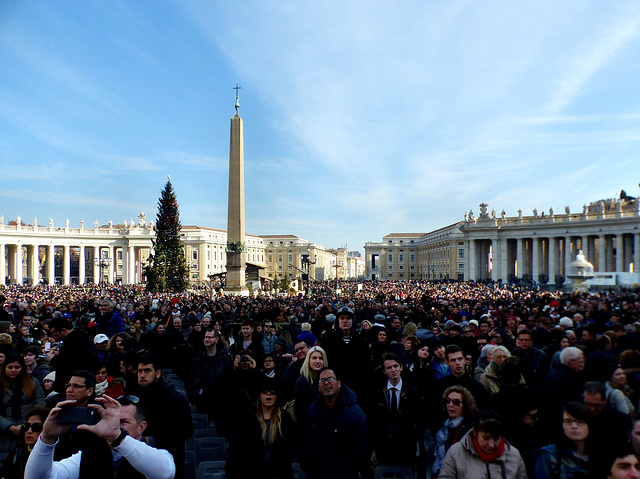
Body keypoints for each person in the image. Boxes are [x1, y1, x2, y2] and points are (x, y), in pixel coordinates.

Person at [24, 395, 175, 479]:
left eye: (123, 422)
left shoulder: (159, 456)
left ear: (141, 427)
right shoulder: (85, 459)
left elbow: (164, 473)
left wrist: (117, 437)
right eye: (113, 422)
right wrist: (47, 439)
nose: (116, 426)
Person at [134, 352, 193, 478]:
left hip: (168, 462)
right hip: (141, 460)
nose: (142, 375)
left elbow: (186, 431)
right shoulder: (139, 398)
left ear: (158, 373)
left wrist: (153, 440)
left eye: (147, 371)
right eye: (139, 371)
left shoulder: (175, 399)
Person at [305, 368, 371, 479]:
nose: (326, 383)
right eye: (322, 380)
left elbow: (362, 447)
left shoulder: (355, 413)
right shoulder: (312, 411)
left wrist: (345, 471)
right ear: (318, 387)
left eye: (330, 379)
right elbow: (306, 443)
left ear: (339, 383)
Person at [226, 378, 294, 479]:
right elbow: (240, 449)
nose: (268, 394)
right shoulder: (249, 419)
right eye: (264, 392)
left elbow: (290, 449)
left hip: (278, 473)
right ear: (259, 395)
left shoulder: (285, 419)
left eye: (272, 392)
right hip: (253, 473)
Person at [368, 353, 423, 470]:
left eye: (396, 366)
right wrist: (373, 448)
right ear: (384, 371)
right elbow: (373, 422)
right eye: (389, 368)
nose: (393, 370)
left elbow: (419, 420)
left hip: (406, 449)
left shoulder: (413, 393)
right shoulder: (377, 393)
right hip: (384, 448)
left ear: (401, 367)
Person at [438, 410, 527, 479]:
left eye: (496, 438)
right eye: (486, 438)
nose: (491, 444)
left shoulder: (514, 455)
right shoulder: (456, 453)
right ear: (475, 433)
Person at [533, 402, 593, 479]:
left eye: (580, 422)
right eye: (568, 421)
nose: (574, 426)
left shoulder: (600, 455)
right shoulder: (548, 455)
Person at [189, 328, 232, 433]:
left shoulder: (224, 358)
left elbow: (229, 380)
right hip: (201, 401)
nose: (207, 340)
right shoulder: (197, 358)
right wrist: (195, 394)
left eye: (210, 337)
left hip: (220, 403)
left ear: (216, 339)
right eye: (205, 337)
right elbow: (191, 379)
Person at [0, 354, 45, 452]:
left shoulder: (33, 383)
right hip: (3, 431)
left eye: (17, 367)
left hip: (27, 430)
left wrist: (25, 425)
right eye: (10, 367)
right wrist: (10, 427)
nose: (13, 370)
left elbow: (40, 404)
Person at [432, 386, 479, 477]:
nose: (451, 405)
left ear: (465, 405)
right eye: (448, 401)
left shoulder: (470, 429)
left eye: (456, 402)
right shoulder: (445, 425)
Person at [0, 406, 49, 479]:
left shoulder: (58, 453)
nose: (29, 431)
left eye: (36, 427)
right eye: (26, 426)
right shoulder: (17, 452)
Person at [293, 346, 328, 426]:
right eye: (314, 358)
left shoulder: (329, 380)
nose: (318, 361)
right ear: (308, 360)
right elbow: (300, 411)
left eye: (321, 358)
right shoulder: (301, 382)